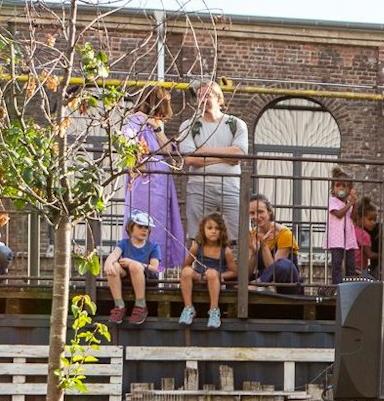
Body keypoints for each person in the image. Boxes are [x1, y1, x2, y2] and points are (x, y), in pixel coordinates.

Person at [120, 85, 185, 267]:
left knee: (159, 223)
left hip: (160, 182)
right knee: (144, 221)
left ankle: (156, 264)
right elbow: (127, 141)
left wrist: (156, 128)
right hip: (145, 182)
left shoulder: (154, 124)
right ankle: (138, 263)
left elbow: (169, 151)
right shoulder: (134, 121)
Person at [176, 80, 248, 242]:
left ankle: (234, 267)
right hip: (199, 187)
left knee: (238, 235)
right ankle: (201, 267)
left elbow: (238, 156)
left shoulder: (236, 124)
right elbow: (190, 159)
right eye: (200, 96)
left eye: (207, 95)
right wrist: (226, 157)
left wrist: (204, 151)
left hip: (230, 187)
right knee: (198, 236)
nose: (203, 100)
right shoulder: (188, 126)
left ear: (218, 98)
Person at [103, 210, 162, 327]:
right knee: (114, 265)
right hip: (128, 275)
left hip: (147, 277)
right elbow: (114, 255)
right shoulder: (124, 243)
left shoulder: (153, 246)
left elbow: (154, 268)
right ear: (131, 227)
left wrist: (133, 263)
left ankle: (141, 305)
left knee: (134, 266)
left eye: (147, 227)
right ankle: (119, 305)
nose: (144, 230)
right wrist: (108, 264)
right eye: (140, 226)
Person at [177, 212, 231, 330]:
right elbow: (186, 265)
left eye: (217, 228)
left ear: (222, 231)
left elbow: (234, 271)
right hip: (199, 276)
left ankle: (214, 310)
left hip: (215, 280)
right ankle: (188, 308)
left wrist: (219, 275)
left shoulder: (225, 251)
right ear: (203, 230)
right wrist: (197, 275)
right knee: (186, 271)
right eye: (210, 228)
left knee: (211, 273)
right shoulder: (197, 247)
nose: (213, 231)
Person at [246, 196, 302, 289]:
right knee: (236, 274)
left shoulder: (284, 233)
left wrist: (264, 246)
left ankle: (258, 284)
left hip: (287, 283)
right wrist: (254, 253)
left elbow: (274, 272)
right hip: (263, 280)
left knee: (283, 264)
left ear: (269, 212)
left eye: (260, 212)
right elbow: (248, 273)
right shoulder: (252, 234)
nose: (256, 216)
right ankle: (258, 285)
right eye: (252, 213)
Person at [325, 166, 360, 281]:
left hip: (348, 237)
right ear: (333, 189)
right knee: (337, 264)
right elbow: (339, 214)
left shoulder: (347, 203)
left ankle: (350, 285)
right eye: (337, 185)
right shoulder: (333, 201)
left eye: (344, 186)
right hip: (336, 239)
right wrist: (350, 204)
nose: (340, 188)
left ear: (349, 189)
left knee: (351, 265)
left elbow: (353, 217)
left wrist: (355, 203)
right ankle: (337, 286)